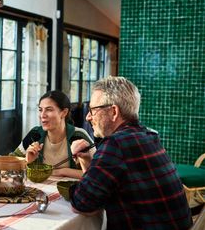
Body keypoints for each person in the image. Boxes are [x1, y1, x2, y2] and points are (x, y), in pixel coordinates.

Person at [69, 76, 192, 229]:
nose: (88, 117)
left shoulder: (115, 144)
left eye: (93, 110)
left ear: (114, 111)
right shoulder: (149, 135)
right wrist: (88, 161)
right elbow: (96, 193)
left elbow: (82, 203)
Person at [11, 90, 94, 179]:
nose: (42, 115)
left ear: (64, 112)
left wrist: (63, 171)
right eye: (40, 110)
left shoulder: (78, 136)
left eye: (49, 110)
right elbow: (10, 162)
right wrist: (27, 162)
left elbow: (97, 174)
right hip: (41, 190)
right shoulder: (35, 135)